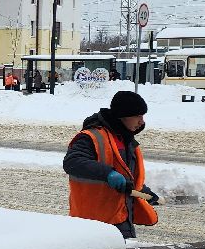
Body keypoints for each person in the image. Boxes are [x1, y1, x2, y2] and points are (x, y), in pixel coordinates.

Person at [63, 89, 159, 239]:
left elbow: (127, 175)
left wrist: (144, 192)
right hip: (92, 224)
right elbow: (73, 162)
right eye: (138, 116)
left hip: (120, 219)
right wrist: (108, 173)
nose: (142, 121)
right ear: (123, 115)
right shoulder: (91, 137)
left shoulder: (127, 140)